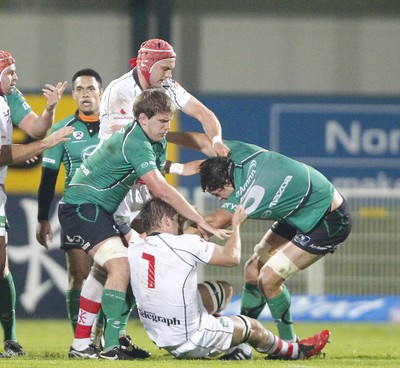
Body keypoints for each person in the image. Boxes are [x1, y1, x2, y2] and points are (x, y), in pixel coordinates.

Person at [58, 89, 229, 360]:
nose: (167, 127)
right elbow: (160, 190)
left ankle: (81, 346)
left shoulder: (155, 141)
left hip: (101, 210)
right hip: (81, 207)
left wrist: (182, 169)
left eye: (169, 121)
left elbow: (157, 168)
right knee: (120, 265)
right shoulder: (135, 141)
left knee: (104, 271)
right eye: (162, 122)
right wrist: (198, 219)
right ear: (142, 119)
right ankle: (111, 346)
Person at [168, 131, 352, 359]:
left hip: (328, 219)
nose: (221, 200)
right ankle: (244, 341)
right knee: (252, 271)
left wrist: (166, 245)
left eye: (220, 194)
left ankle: (289, 347)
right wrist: (163, 136)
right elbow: (203, 141)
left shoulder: (245, 194)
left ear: (227, 182)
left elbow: (211, 224)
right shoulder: (235, 155)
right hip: (299, 210)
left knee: (269, 278)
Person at [128, 197, 331, 360]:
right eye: (177, 219)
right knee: (253, 327)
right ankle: (294, 352)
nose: (180, 225)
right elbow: (231, 257)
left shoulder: (135, 244)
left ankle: (230, 345)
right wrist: (236, 225)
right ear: (165, 220)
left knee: (221, 290)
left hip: (160, 334)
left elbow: (171, 238)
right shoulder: (184, 244)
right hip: (191, 338)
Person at [0, 50, 72, 358]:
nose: (15, 77)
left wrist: (51, 110)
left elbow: (37, 128)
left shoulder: (10, 98)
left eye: (14, 71)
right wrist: (39, 146)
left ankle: (11, 339)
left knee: (0, 267)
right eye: (9, 72)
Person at [36, 68, 104, 338]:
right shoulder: (61, 131)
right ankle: (81, 340)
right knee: (79, 274)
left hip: (110, 209)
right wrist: (43, 218)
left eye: (90, 88)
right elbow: (48, 178)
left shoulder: (115, 128)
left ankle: (104, 335)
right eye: (79, 89)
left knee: (113, 274)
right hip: (75, 209)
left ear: (101, 92)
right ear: (73, 94)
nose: (85, 94)